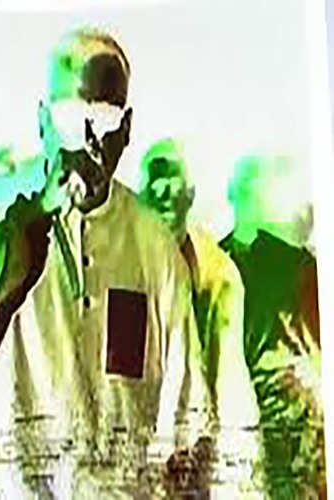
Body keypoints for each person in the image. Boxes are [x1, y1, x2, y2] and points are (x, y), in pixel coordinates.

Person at [0, 28, 214, 497]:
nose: (88, 139)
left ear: (127, 129)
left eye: (104, 118)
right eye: (70, 117)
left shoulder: (155, 248)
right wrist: (36, 218)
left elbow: (189, 423)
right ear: (42, 123)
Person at [139, 138, 261, 495]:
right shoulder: (120, 267)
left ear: (190, 195)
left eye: (172, 182)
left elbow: (229, 386)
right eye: (154, 183)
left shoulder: (218, 276)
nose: (163, 193)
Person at [220, 154, 326, 499]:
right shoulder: (211, 264)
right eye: (245, 187)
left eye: (257, 187)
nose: (251, 196)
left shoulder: (296, 265)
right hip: (234, 424)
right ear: (232, 193)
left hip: (287, 428)